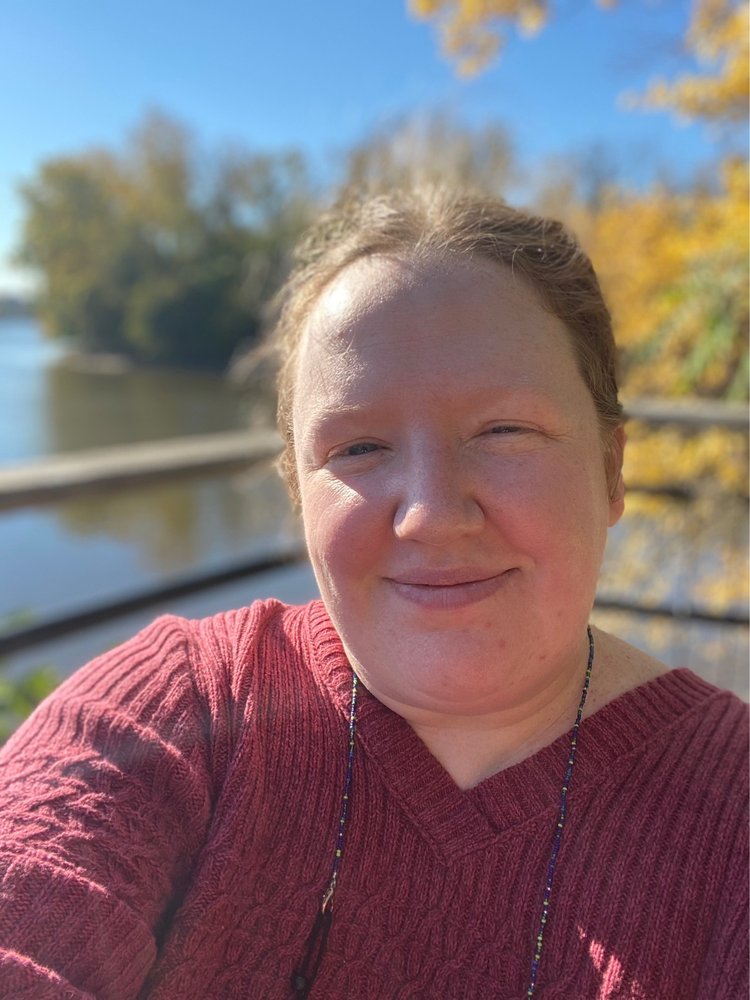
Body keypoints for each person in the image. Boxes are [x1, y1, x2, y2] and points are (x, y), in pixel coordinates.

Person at [0, 186, 747, 1000]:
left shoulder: (731, 804)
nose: (431, 514)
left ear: (611, 469)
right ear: (298, 493)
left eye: (505, 430)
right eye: (358, 447)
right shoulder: (179, 713)